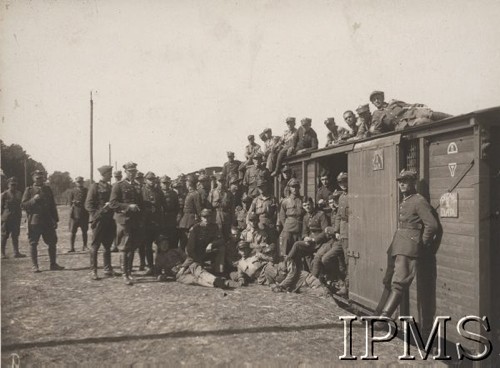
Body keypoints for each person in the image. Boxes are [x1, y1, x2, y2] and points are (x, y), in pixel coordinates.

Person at [375, 170, 438, 320]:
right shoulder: (406, 200)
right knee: (388, 280)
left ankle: (384, 318)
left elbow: (432, 225)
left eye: (406, 180)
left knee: (399, 282)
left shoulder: (418, 200)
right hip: (398, 244)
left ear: (413, 182)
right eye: (400, 181)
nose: (402, 184)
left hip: (408, 245)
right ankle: (378, 312)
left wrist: (421, 242)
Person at [21, 170, 64, 272]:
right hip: (35, 221)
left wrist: (55, 220)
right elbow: (23, 205)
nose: (39, 180)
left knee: (52, 242)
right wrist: (33, 200)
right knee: (33, 243)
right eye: (37, 178)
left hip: (48, 221)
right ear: (33, 179)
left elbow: (52, 205)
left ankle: (53, 264)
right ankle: (35, 265)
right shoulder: (29, 190)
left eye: (41, 177)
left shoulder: (47, 189)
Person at [109, 162, 143, 285]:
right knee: (124, 247)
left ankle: (129, 272)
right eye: (130, 171)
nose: (132, 173)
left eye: (134, 171)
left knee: (132, 247)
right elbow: (113, 203)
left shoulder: (137, 186)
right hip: (123, 220)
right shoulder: (118, 186)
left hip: (135, 221)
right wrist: (128, 206)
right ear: (126, 172)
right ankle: (125, 274)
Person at [85, 165, 119, 280]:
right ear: (104, 174)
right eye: (109, 173)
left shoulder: (110, 187)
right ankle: (93, 270)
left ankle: (107, 269)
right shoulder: (94, 187)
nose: (111, 175)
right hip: (99, 221)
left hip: (109, 220)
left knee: (108, 246)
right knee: (95, 246)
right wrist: (98, 214)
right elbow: (88, 205)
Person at [184, 208, 226, 275]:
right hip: (195, 254)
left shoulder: (214, 227)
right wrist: (197, 260)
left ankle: (219, 272)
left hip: (207, 251)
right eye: (204, 217)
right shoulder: (195, 228)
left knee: (221, 248)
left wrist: (211, 244)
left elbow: (221, 240)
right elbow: (190, 249)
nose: (206, 219)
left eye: (208, 217)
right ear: (201, 218)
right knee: (184, 270)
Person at [140, 172, 166, 276]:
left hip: (157, 221)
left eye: (153, 179)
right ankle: (150, 266)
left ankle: (158, 266)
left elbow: (163, 205)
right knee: (147, 246)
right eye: (149, 179)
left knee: (160, 245)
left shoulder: (158, 191)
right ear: (145, 180)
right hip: (147, 222)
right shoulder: (141, 191)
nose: (152, 181)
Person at [1, 177, 26, 259]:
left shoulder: (19, 193)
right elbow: (1, 207)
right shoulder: (4, 194)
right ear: (8, 185)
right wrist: (1, 218)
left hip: (16, 218)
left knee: (15, 235)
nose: (13, 186)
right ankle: (2, 253)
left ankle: (16, 252)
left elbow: (21, 205)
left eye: (15, 185)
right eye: (12, 184)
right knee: (4, 236)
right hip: (6, 218)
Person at [278, 178, 303, 256]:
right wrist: (286, 226)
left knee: (299, 251)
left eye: (296, 186)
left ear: (299, 187)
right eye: (292, 187)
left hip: (300, 228)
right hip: (288, 228)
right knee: (286, 251)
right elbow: (282, 216)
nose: (295, 189)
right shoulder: (285, 201)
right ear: (289, 188)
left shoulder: (303, 200)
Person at [208, 173, 234, 241]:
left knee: (226, 237)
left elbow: (232, 208)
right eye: (219, 181)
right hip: (216, 216)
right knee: (216, 236)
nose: (221, 183)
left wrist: (232, 221)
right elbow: (209, 207)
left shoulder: (229, 193)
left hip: (226, 217)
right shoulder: (212, 192)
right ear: (216, 182)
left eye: (223, 181)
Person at [178, 177, 202, 250]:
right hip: (186, 218)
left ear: (189, 184)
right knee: (183, 240)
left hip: (191, 218)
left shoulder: (195, 193)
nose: (186, 184)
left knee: (189, 240)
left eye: (187, 182)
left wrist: (199, 218)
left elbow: (198, 208)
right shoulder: (190, 192)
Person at [68, 176, 89, 252]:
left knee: (84, 231)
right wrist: (74, 202)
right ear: (76, 183)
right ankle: (72, 247)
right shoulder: (72, 191)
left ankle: (85, 246)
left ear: (83, 182)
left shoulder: (86, 190)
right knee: (73, 232)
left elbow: (88, 201)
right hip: (75, 214)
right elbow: (70, 202)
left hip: (84, 214)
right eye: (78, 182)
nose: (79, 183)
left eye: (81, 182)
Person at [160, 175, 180, 247]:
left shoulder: (173, 193)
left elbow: (177, 206)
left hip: (171, 217)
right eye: (164, 183)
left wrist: (177, 216)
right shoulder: (158, 193)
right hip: (161, 218)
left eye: (167, 183)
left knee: (172, 238)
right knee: (162, 239)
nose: (165, 185)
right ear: (160, 183)